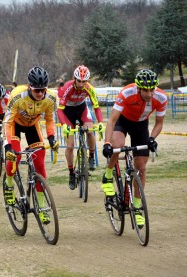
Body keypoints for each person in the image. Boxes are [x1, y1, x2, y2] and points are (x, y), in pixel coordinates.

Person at [102, 69, 167, 227]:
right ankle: (108, 175)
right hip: (122, 121)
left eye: (152, 89)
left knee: (141, 167)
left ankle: (137, 206)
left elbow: (159, 123)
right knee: (117, 146)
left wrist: (151, 138)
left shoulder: (161, 97)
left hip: (141, 124)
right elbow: (111, 120)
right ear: (138, 88)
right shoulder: (127, 93)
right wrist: (107, 143)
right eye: (145, 90)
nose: (149, 94)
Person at [4, 66, 59, 223]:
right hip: (14, 124)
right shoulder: (17, 96)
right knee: (13, 156)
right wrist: (8, 145)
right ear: (29, 87)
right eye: (37, 90)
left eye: (43, 90)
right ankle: (9, 186)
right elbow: (7, 123)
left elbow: (49, 119)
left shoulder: (51, 98)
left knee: (40, 164)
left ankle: (41, 207)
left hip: (32, 126)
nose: (40, 94)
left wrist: (51, 138)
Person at [56, 65, 104, 190]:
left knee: (90, 130)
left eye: (84, 81)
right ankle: (71, 173)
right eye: (79, 81)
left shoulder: (89, 88)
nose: (82, 84)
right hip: (67, 112)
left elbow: (97, 107)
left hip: (82, 109)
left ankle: (91, 156)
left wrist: (100, 123)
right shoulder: (67, 87)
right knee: (70, 145)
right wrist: (65, 125)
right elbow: (59, 111)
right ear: (75, 78)